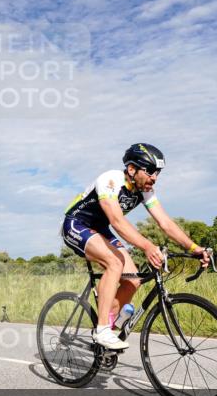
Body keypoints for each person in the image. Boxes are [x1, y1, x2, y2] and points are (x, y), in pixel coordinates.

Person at [62, 143, 209, 350]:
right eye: (149, 171)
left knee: (134, 280)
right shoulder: (110, 180)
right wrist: (148, 247)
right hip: (76, 225)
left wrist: (195, 248)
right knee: (114, 263)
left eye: (157, 173)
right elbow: (117, 221)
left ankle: (107, 324)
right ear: (131, 169)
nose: (154, 177)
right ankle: (102, 330)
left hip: (100, 229)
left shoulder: (144, 190)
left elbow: (165, 223)